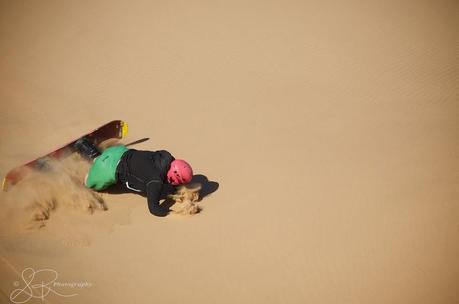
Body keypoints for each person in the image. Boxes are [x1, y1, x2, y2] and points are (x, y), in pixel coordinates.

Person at [74, 138, 193, 217]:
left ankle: (91, 148)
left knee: (105, 157)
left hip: (119, 151)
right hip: (108, 168)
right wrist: (174, 212)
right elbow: (154, 209)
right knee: (87, 183)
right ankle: (84, 149)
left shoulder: (164, 157)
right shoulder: (155, 181)